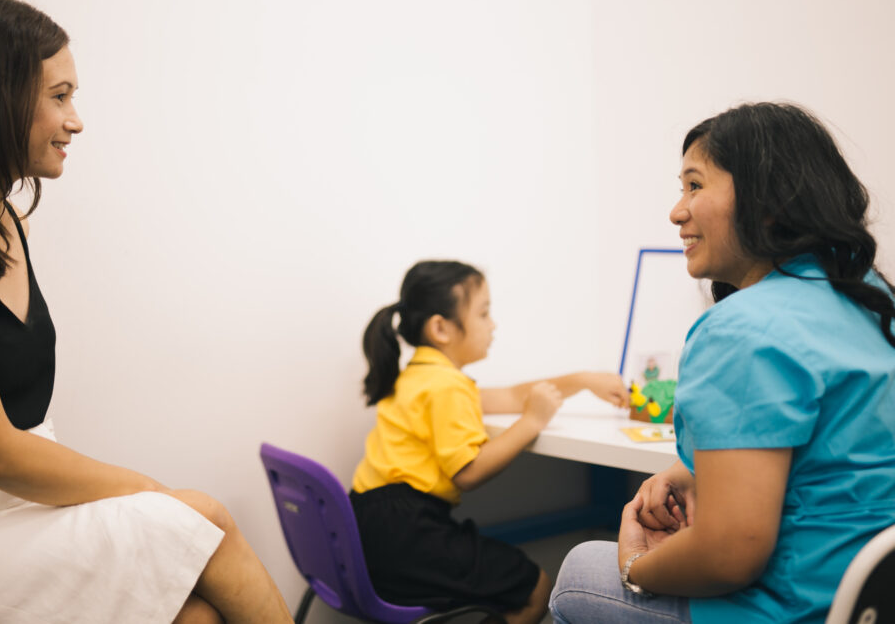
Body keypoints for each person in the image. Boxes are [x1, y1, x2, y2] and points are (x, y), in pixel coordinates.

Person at [0, 0, 291, 624]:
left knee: (196, 615)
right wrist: (152, 494)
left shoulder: (10, 225)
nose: (77, 120)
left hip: (10, 508)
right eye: (60, 96)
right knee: (205, 518)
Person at [549, 103, 895, 623]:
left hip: (795, 609)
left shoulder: (743, 326)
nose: (676, 210)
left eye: (694, 185)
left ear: (770, 201)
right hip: (869, 597)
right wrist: (694, 470)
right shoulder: (872, 299)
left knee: (580, 568)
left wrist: (636, 564)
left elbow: (730, 554)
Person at [350, 260, 628, 624]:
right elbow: (469, 471)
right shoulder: (445, 386)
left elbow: (513, 395)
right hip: (406, 532)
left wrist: (582, 380)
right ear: (441, 328)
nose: (493, 324)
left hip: (373, 524)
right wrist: (532, 422)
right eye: (483, 313)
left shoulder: (422, 376)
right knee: (535, 588)